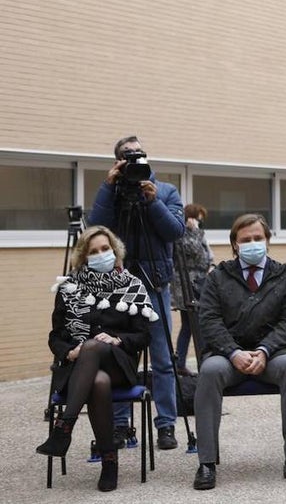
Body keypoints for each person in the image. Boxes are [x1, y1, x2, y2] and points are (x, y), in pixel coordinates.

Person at [192, 214, 286, 489]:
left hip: (271, 355)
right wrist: (234, 352)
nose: (253, 243)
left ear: (267, 241)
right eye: (246, 240)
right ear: (235, 245)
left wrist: (265, 350)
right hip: (227, 356)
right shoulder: (218, 277)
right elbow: (209, 320)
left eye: (258, 238)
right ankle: (206, 463)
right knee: (208, 372)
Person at [37, 226, 155, 492]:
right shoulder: (69, 288)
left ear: (114, 250)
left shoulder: (132, 285)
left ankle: (64, 428)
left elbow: (144, 336)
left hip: (119, 363)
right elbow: (55, 336)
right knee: (97, 380)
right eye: (94, 252)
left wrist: (118, 340)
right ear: (83, 258)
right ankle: (109, 461)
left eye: (105, 249)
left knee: (94, 347)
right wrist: (68, 351)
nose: (101, 254)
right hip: (78, 368)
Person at [87, 135, 184, 450]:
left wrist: (152, 201)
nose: (134, 159)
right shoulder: (112, 193)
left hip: (155, 284)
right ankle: (119, 426)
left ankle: (166, 426)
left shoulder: (165, 191)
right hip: (119, 287)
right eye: (127, 156)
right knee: (119, 356)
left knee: (163, 360)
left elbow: (175, 232)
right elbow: (95, 231)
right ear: (117, 162)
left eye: (139, 154)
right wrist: (108, 188)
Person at [171, 203, 214, 376]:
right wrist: (195, 231)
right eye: (198, 220)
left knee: (189, 326)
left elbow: (206, 256)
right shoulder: (182, 234)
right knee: (196, 325)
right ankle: (201, 363)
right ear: (190, 219)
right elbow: (195, 252)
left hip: (196, 283)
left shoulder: (194, 233)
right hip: (188, 286)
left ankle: (181, 363)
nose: (199, 224)